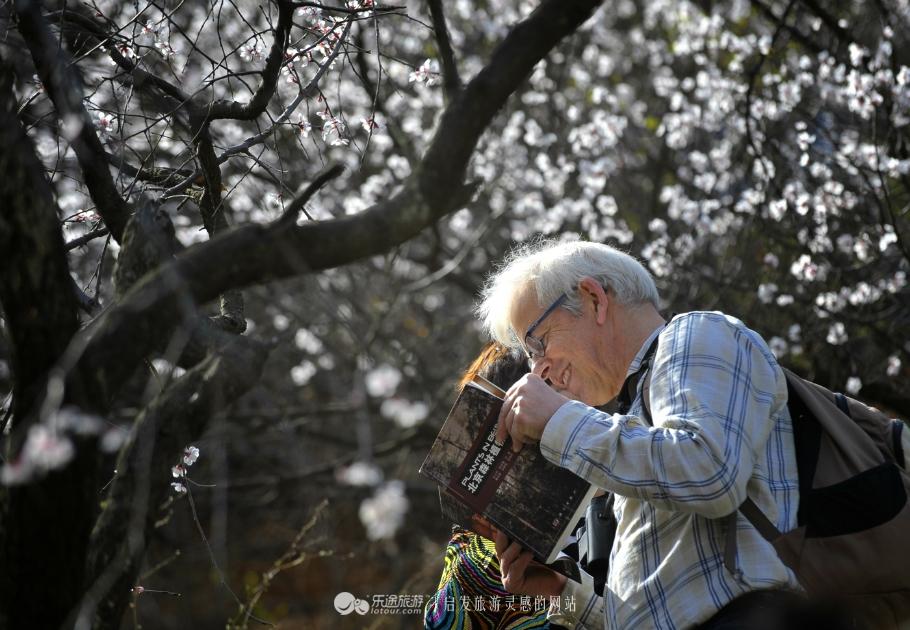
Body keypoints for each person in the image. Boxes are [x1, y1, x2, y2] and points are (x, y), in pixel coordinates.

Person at [475, 239, 809, 630]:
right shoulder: (634, 422)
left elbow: (711, 472)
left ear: (594, 299)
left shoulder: (696, 334)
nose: (539, 370)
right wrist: (558, 592)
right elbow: (665, 608)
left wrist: (558, 420)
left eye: (538, 344)